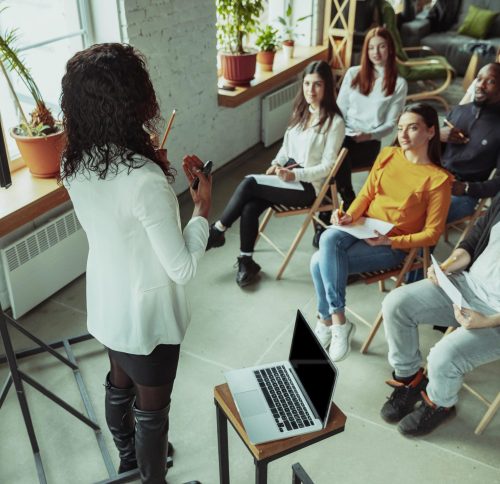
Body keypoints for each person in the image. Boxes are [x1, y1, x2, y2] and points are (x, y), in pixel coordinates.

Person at [60, 43, 210, 484]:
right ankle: (151, 476)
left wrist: (150, 169)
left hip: (108, 301)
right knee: (153, 410)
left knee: (118, 381)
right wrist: (201, 208)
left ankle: (128, 455)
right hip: (148, 316)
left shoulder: (74, 164)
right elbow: (181, 268)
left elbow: (119, 225)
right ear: (132, 101)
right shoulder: (144, 180)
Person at [311, 103, 452, 362]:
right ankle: (338, 319)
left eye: (413, 128)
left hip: (391, 246)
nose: (404, 135)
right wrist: (349, 215)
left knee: (317, 260)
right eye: (400, 128)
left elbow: (432, 234)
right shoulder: (388, 155)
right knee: (328, 236)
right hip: (363, 226)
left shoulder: (439, 179)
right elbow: (366, 194)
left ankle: (326, 319)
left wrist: (392, 240)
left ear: (431, 132)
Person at [206, 60, 345, 287]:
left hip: (308, 187)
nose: (311, 90)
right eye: (307, 84)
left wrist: (296, 176)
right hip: (287, 176)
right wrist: (276, 163)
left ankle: (218, 230)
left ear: (327, 87)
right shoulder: (301, 112)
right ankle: (246, 260)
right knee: (250, 205)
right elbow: (286, 148)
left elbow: (329, 168)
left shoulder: (334, 122)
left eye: (317, 84)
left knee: (250, 182)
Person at [380, 193, 500, 437]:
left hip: (496, 317)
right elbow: (472, 242)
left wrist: (487, 321)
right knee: (396, 303)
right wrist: (445, 268)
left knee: (445, 356)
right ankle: (410, 380)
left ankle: (440, 404)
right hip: (467, 285)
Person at [334, 26, 408, 212]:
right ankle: (346, 198)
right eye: (371, 48)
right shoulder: (353, 74)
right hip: (343, 136)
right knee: (330, 152)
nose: (376, 52)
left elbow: (391, 125)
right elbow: (339, 111)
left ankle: (342, 202)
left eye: (381, 47)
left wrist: (369, 135)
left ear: (390, 48)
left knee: (329, 159)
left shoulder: (398, 84)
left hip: (368, 142)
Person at [441, 62, 500, 224]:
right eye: (479, 79)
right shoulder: (459, 111)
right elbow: (430, 152)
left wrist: (467, 188)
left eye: (491, 81)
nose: (480, 85)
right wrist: (438, 136)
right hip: (435, 178)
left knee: (424, 216)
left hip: (464, 194)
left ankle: (417, 249)